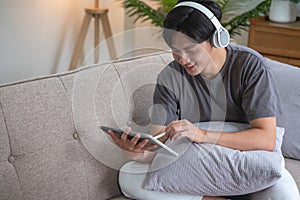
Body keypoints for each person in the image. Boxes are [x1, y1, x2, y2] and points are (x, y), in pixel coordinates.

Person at [108, 0, 300, 199]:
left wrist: (201, 134)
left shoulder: (249, 66)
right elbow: (160, 149)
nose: (183, 60)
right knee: (128, 176)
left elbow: (266, 139)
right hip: (197, 169)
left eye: (191, 50)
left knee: (285, 195)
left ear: (217, 38)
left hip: (247, 162)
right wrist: (136, 153)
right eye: (176, 51)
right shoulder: (169, 78)